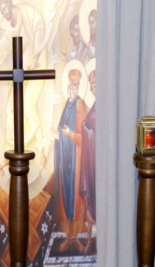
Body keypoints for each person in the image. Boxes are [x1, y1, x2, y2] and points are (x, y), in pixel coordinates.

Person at [0, 0, 50, 168]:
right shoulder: (12, 29)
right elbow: (2, 47)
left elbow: (40, 26)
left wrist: (35, 57)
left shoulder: (26, 11)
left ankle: (42, 148)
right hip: (23, 67)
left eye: (4, 9)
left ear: (10, 4)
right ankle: (11, 153)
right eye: (1, 11)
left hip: (37, 63)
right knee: (11, 107)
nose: (4, 13)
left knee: (28, 106)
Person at [54, 69, 89, 253]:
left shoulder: (80, 105)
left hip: (76, 158)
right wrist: (58, 134)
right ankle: (68, 237)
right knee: (65, 197)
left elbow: (85, 137)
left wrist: (70, 135)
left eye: (76, 84)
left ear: (79, 87)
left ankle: (75, 237)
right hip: (65, 158)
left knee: (75, 198)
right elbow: (62, 128)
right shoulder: (66, 104)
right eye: (70, 84)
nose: (72, 88)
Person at [80, 70, 97, 253]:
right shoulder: (93, 106)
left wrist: (87, 126)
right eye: (91, 86)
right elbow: (88, 125)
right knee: (90, 196)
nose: (93, 89)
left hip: (100, 162)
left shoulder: (104, 107)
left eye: (96, 85)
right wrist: (85, 127)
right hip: (91, 160)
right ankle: (89, 241)